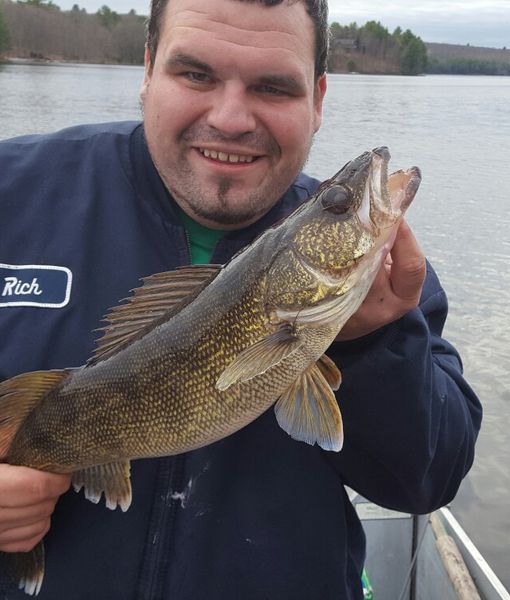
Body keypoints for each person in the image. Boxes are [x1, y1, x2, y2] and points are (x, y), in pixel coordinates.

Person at [0, 0, 482, 598]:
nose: (230, 119)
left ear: (318, 100)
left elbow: (429, 482)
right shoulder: (12, 192)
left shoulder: (385, 279)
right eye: (195, 74)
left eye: (274, 87)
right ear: (147, 70)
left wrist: (374, 344)